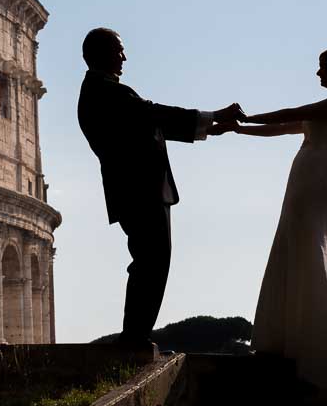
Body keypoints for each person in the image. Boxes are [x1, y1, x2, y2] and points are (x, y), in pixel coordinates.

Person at [210, 42, 327, 405]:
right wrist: (240, 129)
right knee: (294, 244)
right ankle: (291, 339)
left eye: (322, 67)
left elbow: (291, 111)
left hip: (316, 174)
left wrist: (249, 117)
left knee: (310, 247)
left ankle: (317, 355)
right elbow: (285, 126)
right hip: (306, 172)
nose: (317, 73)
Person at [77, 27, 243, 349]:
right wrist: (213, 116)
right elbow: (153, 115)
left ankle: (136, 336)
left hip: (136, 192)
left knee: (150, 263)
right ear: (101, 53)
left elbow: (148, 125)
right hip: (141, 191)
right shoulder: (107, 92)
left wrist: (210, 128)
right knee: (151, 263)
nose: (125, 56)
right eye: (119, 49)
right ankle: (134, 340)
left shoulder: (102, 91)